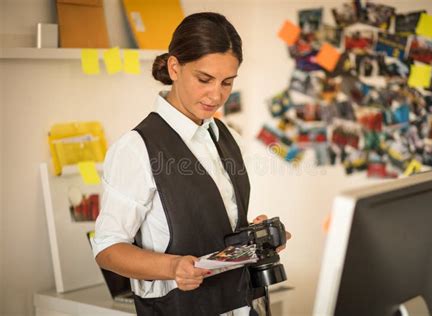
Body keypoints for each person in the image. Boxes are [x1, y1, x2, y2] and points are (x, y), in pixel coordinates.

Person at [92, 12, 289, 316]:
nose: (216, 95)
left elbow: (210, 224)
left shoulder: (227, 136)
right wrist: (173, 266)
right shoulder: (136, 148)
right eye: (204, 79)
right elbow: (107, 249)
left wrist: (254, 237)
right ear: (174, 67)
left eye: (227, 83)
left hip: (244, 305)